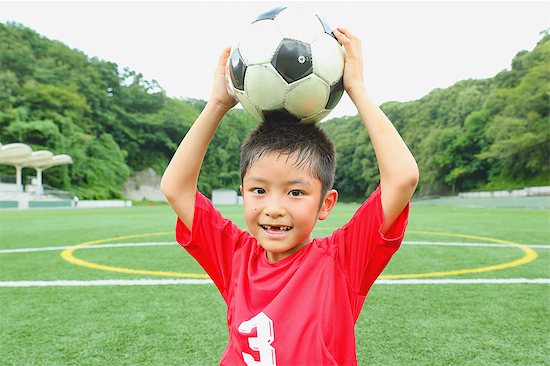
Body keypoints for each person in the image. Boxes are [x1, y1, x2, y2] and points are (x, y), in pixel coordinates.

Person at [161, 27, 419, 365]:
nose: (274, 208)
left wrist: (357, 90)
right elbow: (175, 188)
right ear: (243, 194)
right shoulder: (235, 256)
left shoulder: (340, 262)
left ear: (325, 203)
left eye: (295, 192)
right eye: (259, 190)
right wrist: (217, 105)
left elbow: (403, 178)